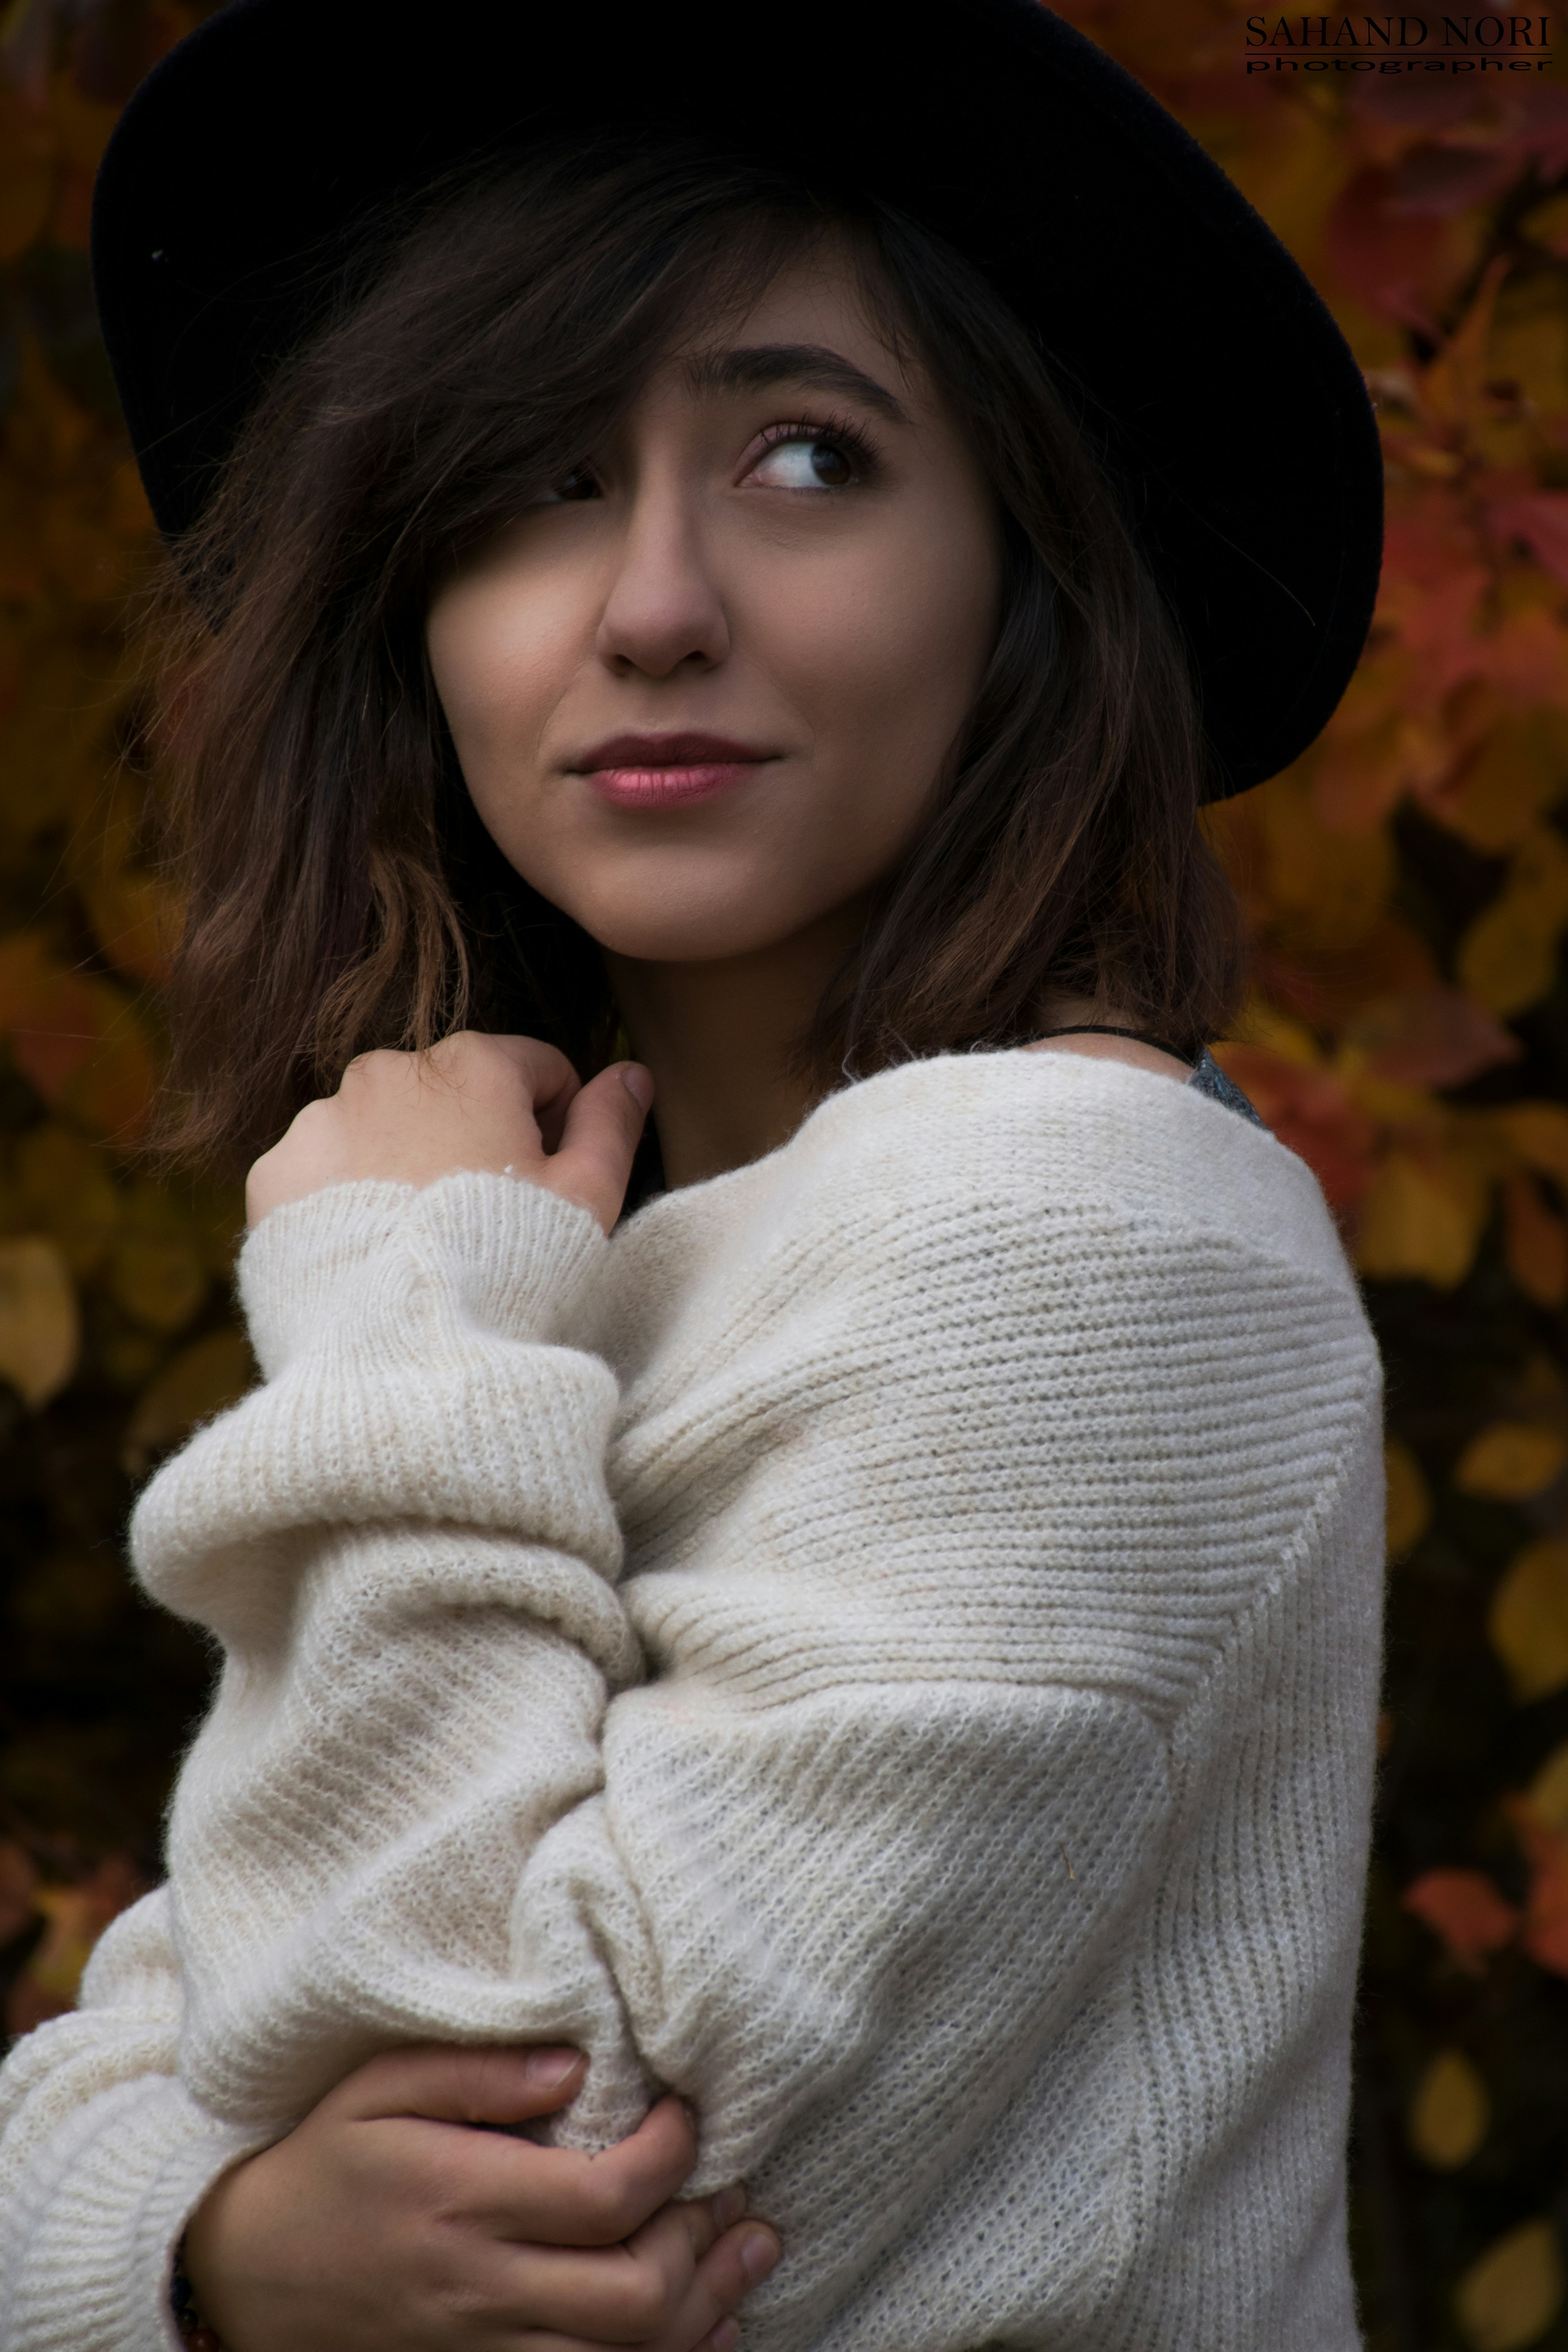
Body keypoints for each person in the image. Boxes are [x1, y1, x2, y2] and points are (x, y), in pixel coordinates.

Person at [0, 3, 1388, 2348]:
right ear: (414, 606)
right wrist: (210, 2248)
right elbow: (157, 2046)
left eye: (809, 459)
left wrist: (407, 1305)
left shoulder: (1066, 1225)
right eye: (530, 476)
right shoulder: (612, 1275)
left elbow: (523, 2152)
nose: (649, 600)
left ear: (1020, 573)